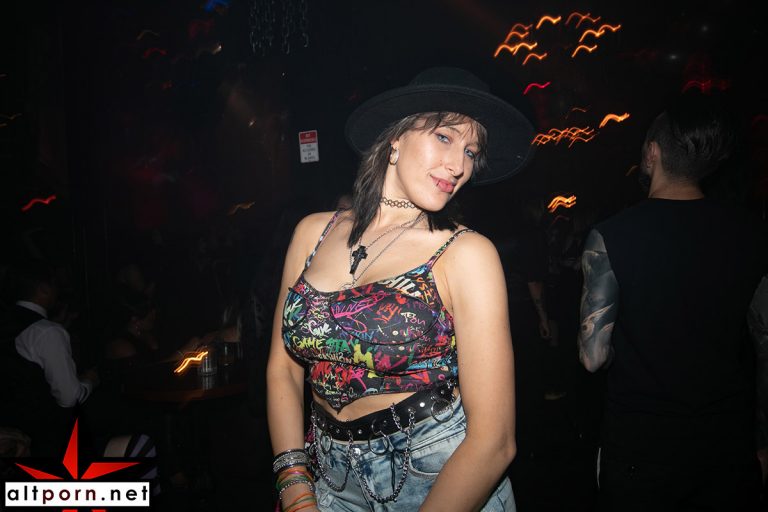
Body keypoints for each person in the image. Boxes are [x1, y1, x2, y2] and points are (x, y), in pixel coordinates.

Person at [267, 67, 534, 511]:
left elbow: (495, 441)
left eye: (471, 152)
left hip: (438, 478)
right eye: (445, 137)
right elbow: (283, 368)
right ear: (395, 138)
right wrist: (294, 486)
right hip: (330, 481)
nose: (459, 166)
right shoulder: (312, 233)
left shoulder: (465, 253)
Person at [578, 92, 765, 511]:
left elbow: (592, 357)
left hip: (641, 445)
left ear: (652, 153)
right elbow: (765, 339)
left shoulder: (612, 236)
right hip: (726, 443)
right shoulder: (752, 234)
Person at [0, 261, 98, 457]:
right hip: (42, 439)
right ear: (44, 289)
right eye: (55, 286)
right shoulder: (47, 332)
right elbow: (69, 398)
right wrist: (90, 382)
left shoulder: (7, 321)